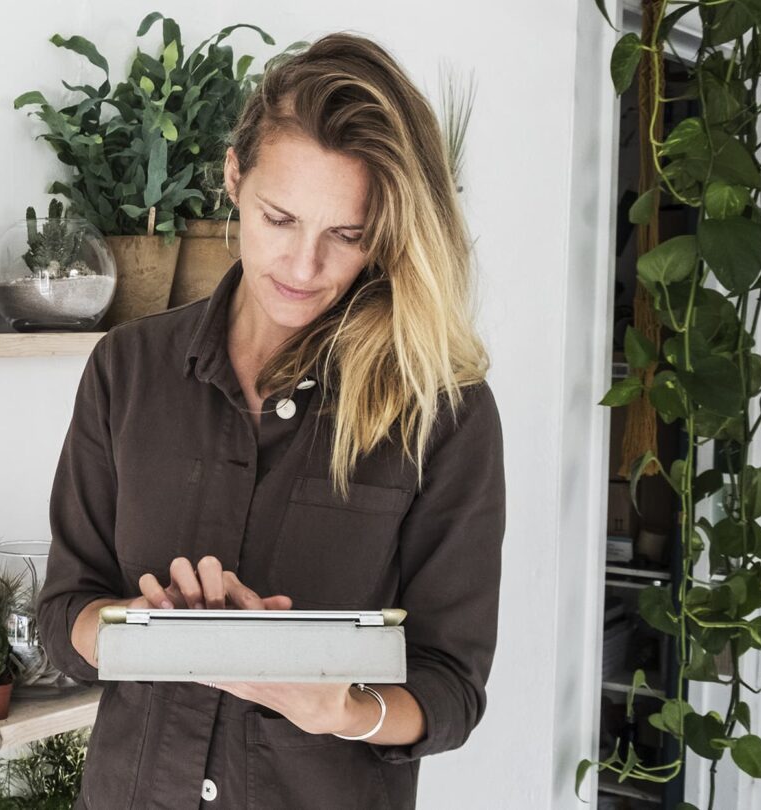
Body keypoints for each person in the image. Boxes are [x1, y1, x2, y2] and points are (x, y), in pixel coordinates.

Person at [37, 30, 506, 810]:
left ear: (385, 235)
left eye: (345, 235)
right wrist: (137, 630)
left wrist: (346, 708)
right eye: (280, 219)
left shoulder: (441, 412)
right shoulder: (128, 369)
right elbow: (63, 613)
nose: (302, 266)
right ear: (233, 177)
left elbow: (452, 685)